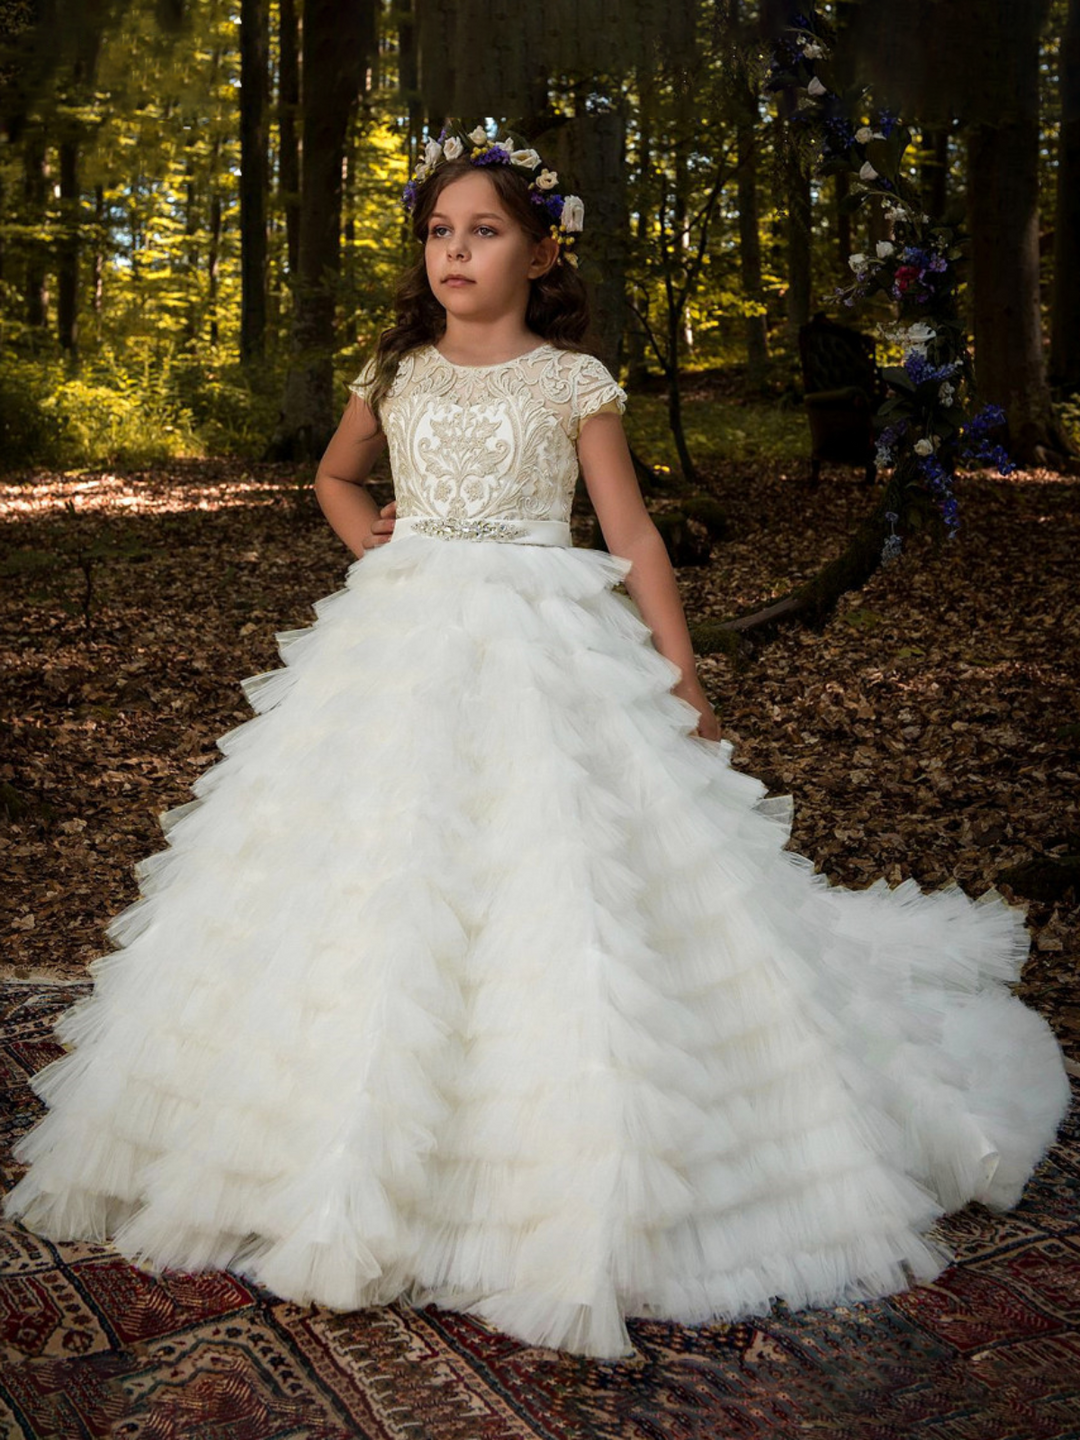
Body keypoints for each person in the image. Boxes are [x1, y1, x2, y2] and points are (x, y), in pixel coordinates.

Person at [3, 120, 1071, 1362]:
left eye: (485, 230)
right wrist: (381, 548)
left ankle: (552, 1154)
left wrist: (680, 673)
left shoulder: (573, 382)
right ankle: (330, 1150)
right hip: (397, 646)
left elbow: (635, 536)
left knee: (558, 880)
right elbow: (337, 481)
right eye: (440, 231)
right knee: (373, 877)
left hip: (546, 647)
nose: (457, 251)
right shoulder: (393, 372)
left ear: (539, 253)